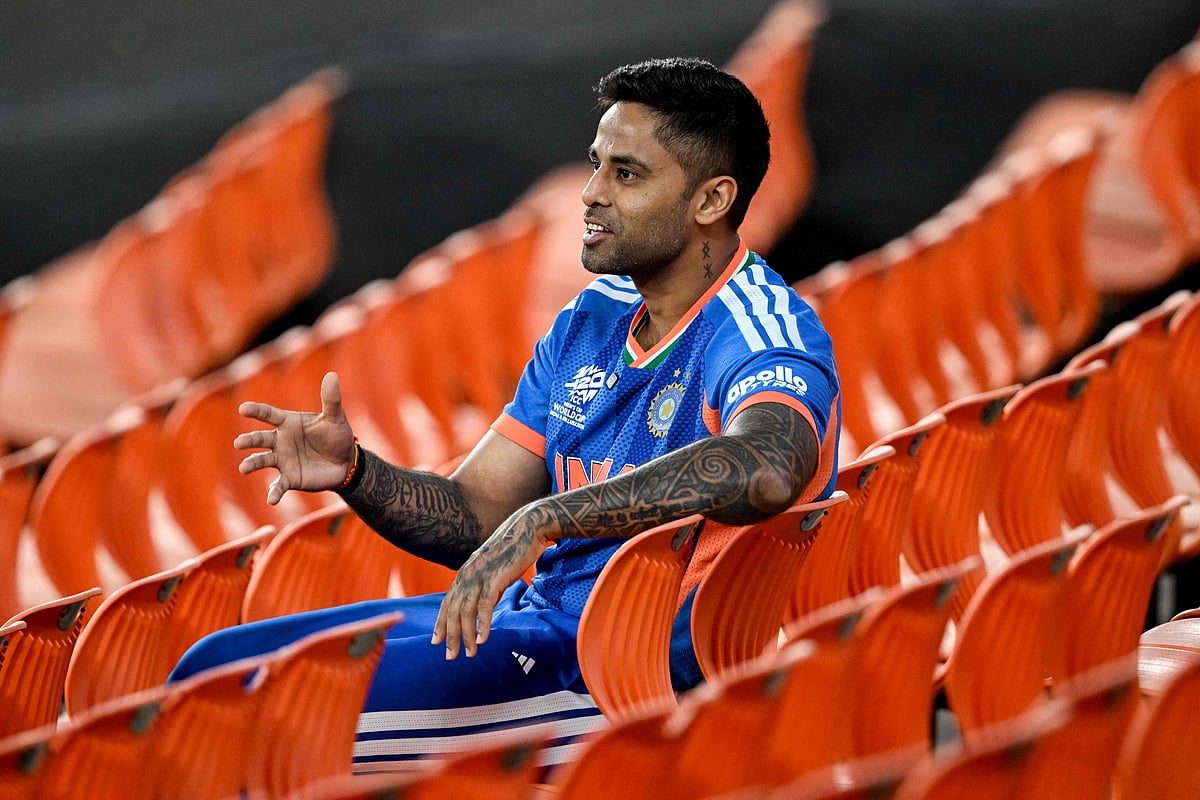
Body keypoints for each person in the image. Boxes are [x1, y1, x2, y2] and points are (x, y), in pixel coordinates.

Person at [169, 56, 841, 774]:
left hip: (617, 670)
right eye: (595, 166)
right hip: (534, 624)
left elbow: (767, 469)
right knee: (209, 669)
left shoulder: (763, 329)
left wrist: (548, 516)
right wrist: (358, 473)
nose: (590, 195)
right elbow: (476, 513)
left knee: (237, 731)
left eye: (627, 174)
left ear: (711, 201)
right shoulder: (590, 320)